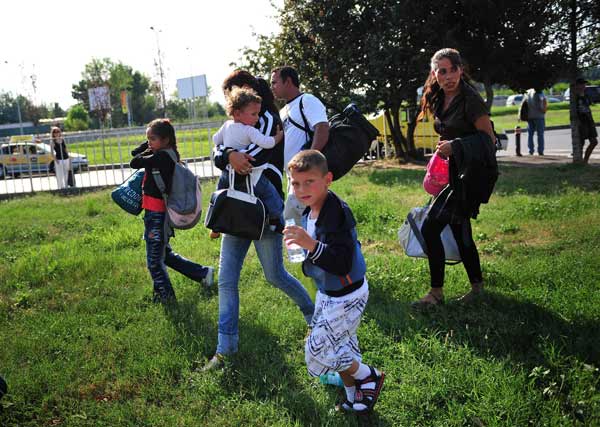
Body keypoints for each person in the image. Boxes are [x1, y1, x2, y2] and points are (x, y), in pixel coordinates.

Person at [204, 71, 315, 370]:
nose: (230, 101)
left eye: (234, 92)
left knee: (275, 276)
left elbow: (251, 155)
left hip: (262, 211)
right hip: (235, 206)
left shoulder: (265, 119)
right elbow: (219, 149)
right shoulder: (236, 122)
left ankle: (314, 317)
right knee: (227, 281)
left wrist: (229, 155)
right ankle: (225, 350)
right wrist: (226, 155)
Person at [284, 150, 385, 414]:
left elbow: (340, 262)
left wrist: (310, 244)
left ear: (327, 179)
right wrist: (303, 245)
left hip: (347, 295)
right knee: (341, 345)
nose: (301, 189)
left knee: (316, 350)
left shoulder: (336, 212)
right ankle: (354, 396)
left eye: (309, 182)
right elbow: (320, 251)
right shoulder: (312, 208)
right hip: (329, 292)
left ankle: (369, 375)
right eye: (296, 183)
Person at [413, 48, 496, 307]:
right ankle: (478, 288)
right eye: (442, 71)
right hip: (455, 173)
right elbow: (450, 129)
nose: (448, 76)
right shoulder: (440, 97)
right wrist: (446, 146)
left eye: (452, 70)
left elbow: (488, 141)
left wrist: (456, 146)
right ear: (435, 74)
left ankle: (436, 293)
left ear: (461, 70)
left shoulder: (471, 100)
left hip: (473, 176)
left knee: (430, 228)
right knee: (461, 231)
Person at [130, 119, 214, 304]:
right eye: (147, 139)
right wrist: (150, 143)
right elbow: (135, 155)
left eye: (152, 139)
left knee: (154, 261)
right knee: (164, 255)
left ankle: (167, 300)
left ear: (166, 140)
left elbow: (134, 161)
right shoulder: (167, 154)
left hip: (157, 214)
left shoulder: (161, 158)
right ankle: (203, 273)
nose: (149, 142)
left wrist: (147, 147)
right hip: (155, 213)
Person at [210, 86, 284, 238]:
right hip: (250, 173)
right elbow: (266, 143)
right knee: (271, 195)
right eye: (254, 114)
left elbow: (215, 140)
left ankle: (215, 226)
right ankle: (276, 220)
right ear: (237, 113)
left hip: (227, 172)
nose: (257, 118)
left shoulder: (226, 125)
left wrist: (226, 150)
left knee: (220, 196)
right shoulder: (249, 130)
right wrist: (278, 138)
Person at [270, 66, 330, 225]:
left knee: (292, 222)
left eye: (275, 82)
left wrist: (310, 162)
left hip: (307, 176)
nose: (272, 88)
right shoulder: (284, 110)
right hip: (294, 177)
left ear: (288, 81)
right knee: (301, 224)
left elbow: (322, 127)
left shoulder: (307, 100)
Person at [575, 78, 598, 164]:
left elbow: (588, 104)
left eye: (584, 84)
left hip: (588, 119)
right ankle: (579, 161)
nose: (583, 86)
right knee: (581, 142)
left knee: (594, 142)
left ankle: (585, 160)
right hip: (581, 121)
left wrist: (583, 96)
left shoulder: (585, 94)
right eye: (581, 84)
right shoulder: (574, 96)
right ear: (577, 85)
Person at [524, 87, 548, 155]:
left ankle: (530, 150)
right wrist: (544, 110)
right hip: (539, 116)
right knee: (540, 134)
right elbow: (543, 100)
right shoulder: (539, 91)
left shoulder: (527, 92)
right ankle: (540, 150)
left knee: (530, 134)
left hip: (530, 116)